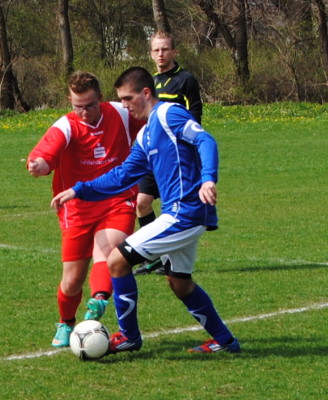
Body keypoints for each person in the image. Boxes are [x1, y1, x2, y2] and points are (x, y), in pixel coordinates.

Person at [51, 67, 240, 354]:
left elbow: (205, 140)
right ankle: (225, 342)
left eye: (128, 99)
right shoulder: (146, 135)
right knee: (180, 283)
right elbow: (123, 175)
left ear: (146, 93)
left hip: (184, 212)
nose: (124, 106)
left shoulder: (169, 115)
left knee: (117, 260)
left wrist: (208, 178)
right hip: (179, 213)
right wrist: (79, 190)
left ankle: (128, 336)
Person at [27, 71, 145, 348]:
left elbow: (153, 121)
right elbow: (45, 154)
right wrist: (40, 165)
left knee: (109, 247)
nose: (84, 112)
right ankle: (66, 323)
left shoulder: (121, 113)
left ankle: (100, 298)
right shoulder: (66, 126)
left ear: (101, 99)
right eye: (77, 105)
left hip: (118, 198)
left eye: (90, 105)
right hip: (77, 207)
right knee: (71, 281)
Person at [134, 31, 203, 275]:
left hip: (176, 157)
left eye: (165, 49)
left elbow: (195, 118)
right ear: (151, 54)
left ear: (174, 52)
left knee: (173, 208)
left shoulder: (186, 80)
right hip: (153, 154)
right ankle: (155, 257)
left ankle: (169, 260)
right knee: (141, 202)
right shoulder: (150, 82)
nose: (161, 54)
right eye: (156, 50)